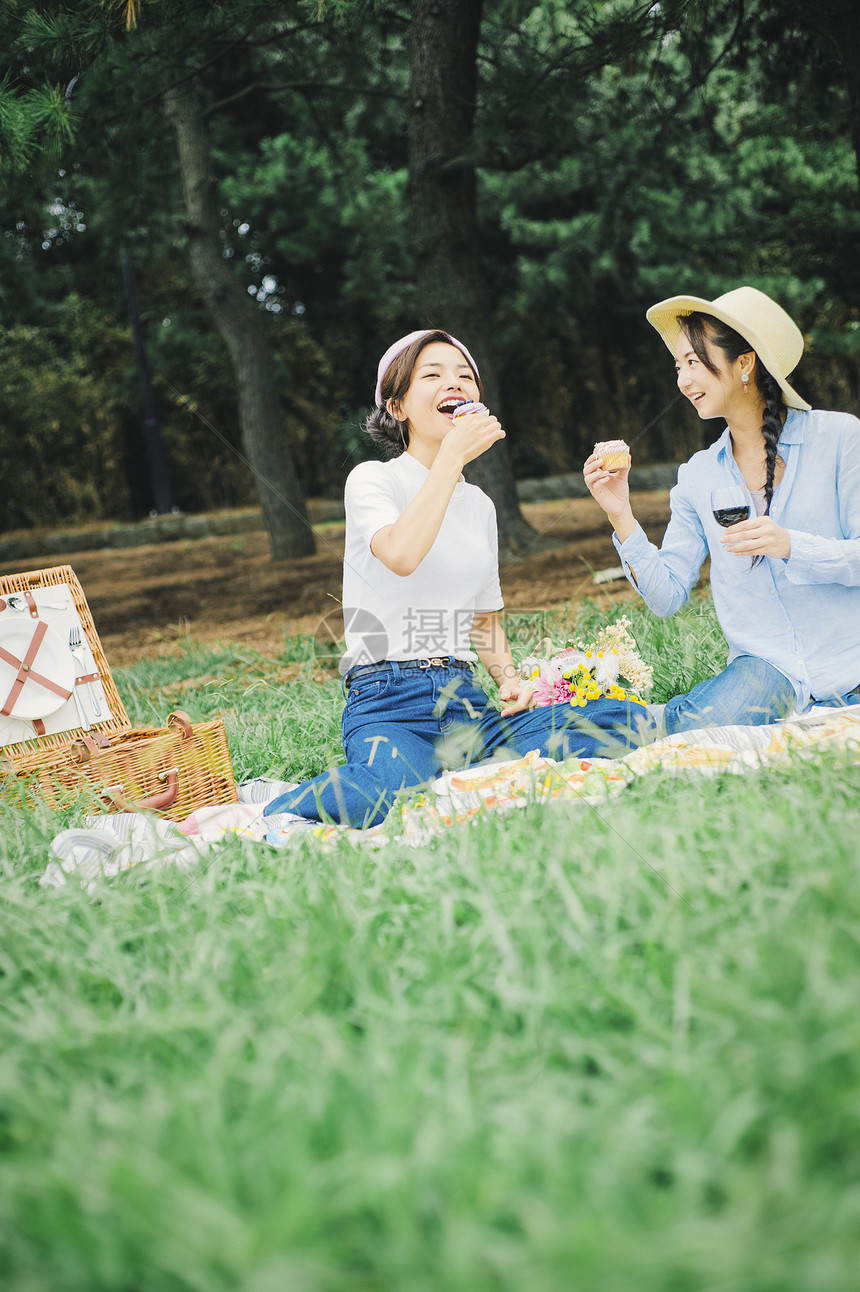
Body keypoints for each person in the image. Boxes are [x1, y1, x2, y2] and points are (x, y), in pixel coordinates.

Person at [266, 328, 650, 827]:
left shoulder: (481, 506)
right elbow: (400, 553)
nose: (455, 383)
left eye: (465, 376)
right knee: (388, 797)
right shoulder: (373, 479)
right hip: (388, 699)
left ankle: (464, 767)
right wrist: (450, 458)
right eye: (433, 375)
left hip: (464, 701)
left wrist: (510, 682)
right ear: (397, 406)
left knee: (611, 723)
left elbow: (483, 617)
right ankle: (262, 814)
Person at [583, 286, 860, 733]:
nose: (683, 380)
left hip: (851, 657)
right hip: (767, 671)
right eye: (678, 366)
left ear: (744, 363)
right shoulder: (697, 476)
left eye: (694, 362)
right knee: (690, 729)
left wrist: (792, 546)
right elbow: (668, 597)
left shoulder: (840, 438)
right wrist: (620, 514)